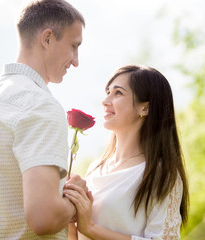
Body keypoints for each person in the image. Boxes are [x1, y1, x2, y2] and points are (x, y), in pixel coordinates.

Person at [0, 0, 86, 239]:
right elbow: (44, 219)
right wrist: (75, 201)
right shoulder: (42, 106)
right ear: (48, 38)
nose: (76, 60)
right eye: (74, 46)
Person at [64, 65, 190, 240]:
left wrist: (91, 229)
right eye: (108, 91)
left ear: (144, 108)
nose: (105, 100)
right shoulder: (96, 168)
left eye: (118, 93)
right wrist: (71, 218)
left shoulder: (161, 174)